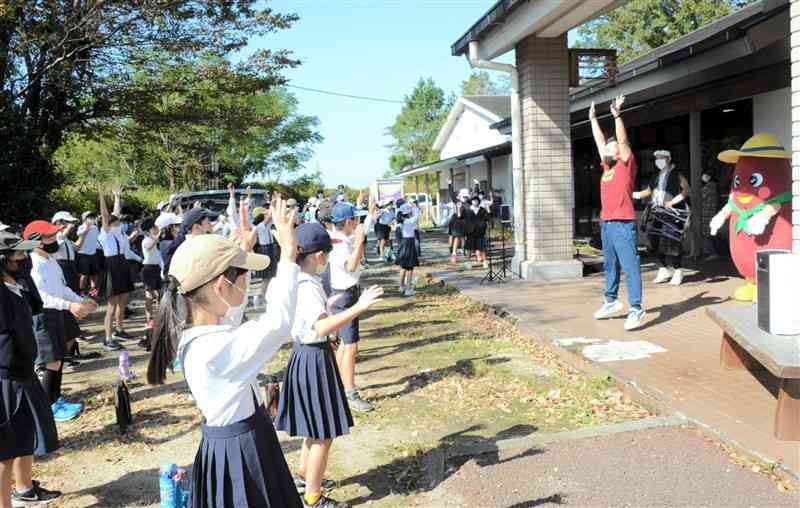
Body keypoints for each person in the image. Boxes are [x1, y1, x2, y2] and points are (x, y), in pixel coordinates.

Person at [147, 197, 303, 508]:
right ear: (220, 286)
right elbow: (279, 324)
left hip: (236, 442)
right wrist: (288, 256)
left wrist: (243, 254)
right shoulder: (214, 349)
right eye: (244, 277)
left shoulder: (199, 334)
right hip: (242, 452)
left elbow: (230, 315)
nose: (247, 284)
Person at [275, 223, 383, 508]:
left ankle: (304, 476)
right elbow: (321, 326)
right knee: (324, 433)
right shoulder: (308, 285)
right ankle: (313, 496)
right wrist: (358, 306)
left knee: (314, 427)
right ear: (320, 256)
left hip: (304, 354)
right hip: (313, 358)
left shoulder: (294, 278)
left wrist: (330, 302)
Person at [0, 231, 63, 506]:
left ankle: (24, 489)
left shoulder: (17, 284)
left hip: (23, 372)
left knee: (25, 436)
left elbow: (36, 307)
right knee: (5, 450)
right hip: (7, 378)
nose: (26, 257)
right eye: (19, 254)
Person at [23, 221, 97, 421]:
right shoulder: (33, 265)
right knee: (51, 361)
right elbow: (43, 297)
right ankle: (46, 408)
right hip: (42, 316)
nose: (54, 239)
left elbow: (62, 288)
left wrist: (80, 300)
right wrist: (70, 306)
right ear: (35, 241)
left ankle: (56, 398)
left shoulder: (51, 260)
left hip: (55, 314)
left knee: (59, 358)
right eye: (48, 237)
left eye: (54, 235)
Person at [589, 95, 645, 331]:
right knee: (610, 265)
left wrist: (617, 116)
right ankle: (611, 302)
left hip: (623, 223)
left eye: (611, 149)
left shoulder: (625, 164)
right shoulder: (607, 166)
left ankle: (636, 308)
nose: (607, 150)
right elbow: (600, 142)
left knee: (629, 266)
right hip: (608, 224)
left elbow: (621, 141)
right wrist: (592, 119)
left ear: (619, 152)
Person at [328, 201, 375, 412]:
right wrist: (358, 242)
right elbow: (351, 265)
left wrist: (370, 215)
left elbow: (362, 232)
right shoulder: (340, 245)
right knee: (350, 346)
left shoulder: (339, 237)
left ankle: (337, 386)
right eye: (355, 219)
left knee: (345, 345)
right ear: (348, 222)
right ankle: (349, 393)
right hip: (344, 295)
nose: (357, 222)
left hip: (345, 294)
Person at [633, 150, 690, 285]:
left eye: (661, 158)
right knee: (654, 241)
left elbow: (686, 189)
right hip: (657, 212)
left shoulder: (677, 173)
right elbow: (647, 192)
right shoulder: (656, 176)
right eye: (656, 159)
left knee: (671, 241)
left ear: (668, 159)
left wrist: (672, 202)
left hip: (672, 213)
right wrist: (630, 194)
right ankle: (664, 268)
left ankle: (678, 270)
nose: (658, 161)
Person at [97, 185, 136, 351]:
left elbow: (115, 213)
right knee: (112, 305)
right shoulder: (105, 234)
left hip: (122, 264)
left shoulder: (118, 233)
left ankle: (119, 330)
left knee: (123, 301)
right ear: (108, 225)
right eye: (116, 221)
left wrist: (117, 197)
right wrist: (101, 197)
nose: (119, 222)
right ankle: (108, 338)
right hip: (112, 266)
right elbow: (106, 216)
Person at [51, 211, 86, 365]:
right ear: (58, 223)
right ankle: (64, 351)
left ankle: (70, 347)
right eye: (66, 222)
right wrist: (66, 230)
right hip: (62, 266)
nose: (70, 225)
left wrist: (83, 234)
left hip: (70, 266)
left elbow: (77, 247)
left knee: (73, 296)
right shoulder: (57, 237)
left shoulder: (64, 238)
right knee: (66, 305)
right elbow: (56, 242)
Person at [139, 218, 162, 349]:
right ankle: (149, 318)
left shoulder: (152, 239)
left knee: (158, 295)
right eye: (153, 227)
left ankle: (157, 317)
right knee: (150, 295)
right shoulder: (146, 240)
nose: (155, 229)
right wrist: (158, 234)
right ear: (148, 230)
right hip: (148, 269)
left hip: (155, 268)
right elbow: (152, 243)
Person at [395, 203, 420, 296]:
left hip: (402, 244)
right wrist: (415, 207)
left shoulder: (399, 223)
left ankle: (401, 286)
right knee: (410, 268)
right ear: (409, 213)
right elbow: (417, 215)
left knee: (403, 267)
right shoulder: (410, 221)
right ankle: (408, 289)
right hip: (409, 244)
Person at [75, 211, 101, 297]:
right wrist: (86, 229)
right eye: (89, 217)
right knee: (84, 274)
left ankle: (93, 291)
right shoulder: (81, 227)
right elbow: (79, 234)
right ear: (84, 219)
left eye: (93, 217)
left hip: (93, 253)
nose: (92, 219)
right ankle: (81, 292)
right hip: (83, 254)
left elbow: (98, 239)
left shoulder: (95, 228)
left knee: (94, 274)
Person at [464, 195, 489, 268]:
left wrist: (488, 210)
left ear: (479, 201)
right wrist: (465, 232)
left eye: (476, 200)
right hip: (470, 232)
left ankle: (485, 262)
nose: (475, 202)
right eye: (473, 200)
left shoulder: (482, 210)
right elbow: (464, 221)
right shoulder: (468, 210)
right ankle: (468, 263)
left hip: (480, 232)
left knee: (482, 248)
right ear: (471, 202)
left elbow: (487, 218)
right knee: (469, 248)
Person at [700, 173, 720, 260]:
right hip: (712, 213)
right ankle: (712, 252)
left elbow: (698, 196)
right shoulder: (715, 187)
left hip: (706, 213)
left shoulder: (707, 188)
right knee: (711, 234)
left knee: (706, 234)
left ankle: (712, 253)